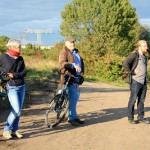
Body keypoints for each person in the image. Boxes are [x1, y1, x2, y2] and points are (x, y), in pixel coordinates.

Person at [0, 39, 26, 139]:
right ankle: (6, 130)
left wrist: (14, 75)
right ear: (12, 47)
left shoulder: (20, 58)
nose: (20, 48)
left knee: (18, 110)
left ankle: (14, 130)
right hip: (11, 87)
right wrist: (3, 77)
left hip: (22, 86)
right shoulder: (3, 57)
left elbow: (24, 72)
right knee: (16, 110)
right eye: (18, 46)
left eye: (20, 46)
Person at [59, 37, 84, 126]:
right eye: (71, 42)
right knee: (73, 97)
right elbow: (62, 62)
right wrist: (73, 65)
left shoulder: (76, 52)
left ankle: (74, 116)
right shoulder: (64, 52)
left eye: (73, 42)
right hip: (68, 78)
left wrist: (81, 73)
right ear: (66, 43)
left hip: (76, 78)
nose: (73, 43)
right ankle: (71, 118)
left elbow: (81, 62)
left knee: (75, 98)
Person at [123, 40, 150, 124]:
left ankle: (141, 117)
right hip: (136, 81)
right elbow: (125, 62)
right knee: (133, 99)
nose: (147, 47)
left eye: (147, 46)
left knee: (141, 101)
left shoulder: (144, 56)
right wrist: (130, 72)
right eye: (145, 46)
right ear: (139, 47)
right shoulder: (135, 55)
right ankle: (130, 118)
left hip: (144, 81)